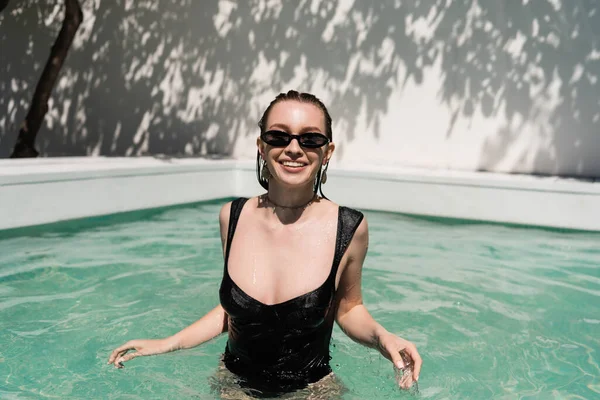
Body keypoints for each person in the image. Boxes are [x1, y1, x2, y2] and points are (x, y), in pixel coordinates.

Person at [108, 90, 422, 397]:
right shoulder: (232, 217)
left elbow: (349, 308)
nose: (294, 148)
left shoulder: (349, 228)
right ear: (261, 146)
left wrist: (383, 338)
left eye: (310, 139)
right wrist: (168, 343)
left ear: (328, 151)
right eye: (279, 137)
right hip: (234, 386)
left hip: (312, 390)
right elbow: (238, 311)